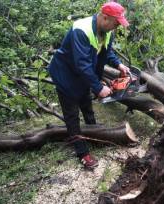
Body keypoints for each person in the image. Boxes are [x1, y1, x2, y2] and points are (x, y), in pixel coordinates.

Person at [48, 2, 130, 169]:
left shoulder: (107, 31)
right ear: (105, 17)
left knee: (87, 106)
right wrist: (99, 87)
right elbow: (82, 64)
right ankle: (82, 152)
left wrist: (118, 65)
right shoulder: (81, 29)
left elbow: (107, 51)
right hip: (66, 74)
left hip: (82, 75)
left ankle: (95, 134)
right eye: (115, 23)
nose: (116, 27)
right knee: (72, 115)